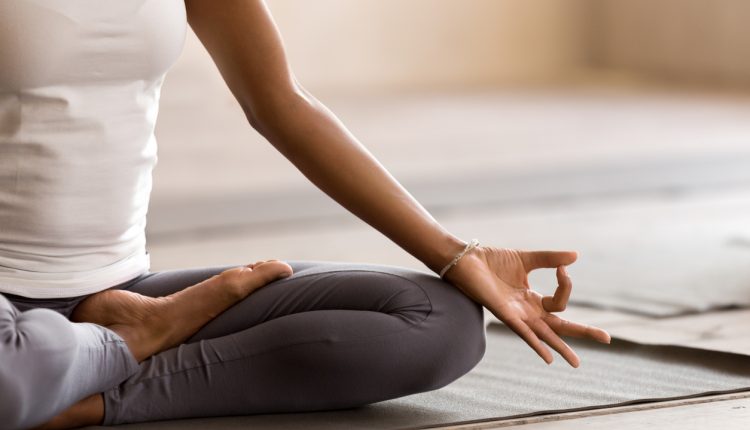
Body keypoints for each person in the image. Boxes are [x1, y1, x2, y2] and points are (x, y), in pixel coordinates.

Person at [0, 1, 611, 429]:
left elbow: (281, 103)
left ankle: (82, 384)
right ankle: (81, 363)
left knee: (442, 322)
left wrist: (456, 254)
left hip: (119, 294)